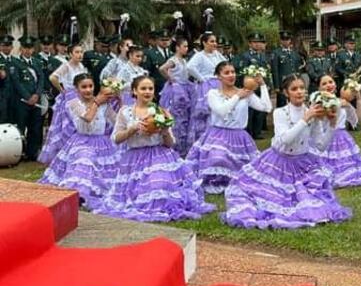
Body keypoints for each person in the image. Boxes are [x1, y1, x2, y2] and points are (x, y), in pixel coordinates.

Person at [222, 74, 352, 229]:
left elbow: (320, 146)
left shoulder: (314, 113)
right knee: (276, 200)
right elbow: (285, 140)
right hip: (278, 162)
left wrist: (331, 125)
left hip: (302, 163)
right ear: (286, 93)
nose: (299, 92)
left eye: (302, 88)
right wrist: (305, 119)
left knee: (313, 203)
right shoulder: (280, 113)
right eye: (294, 89)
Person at [98, 75, 214, 222]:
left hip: (159, 155)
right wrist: (131, 130)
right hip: (135, 159)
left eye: (150, 88)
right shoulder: (125, 112)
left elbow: (171, 143)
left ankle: (163, 205)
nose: (147, 92)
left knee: (160, 184)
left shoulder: (162, 112)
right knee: (142, 193)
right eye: (143, 88)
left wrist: (164, 131)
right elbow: (115, 138)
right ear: (134, 91)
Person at [186, 61, 272, 194]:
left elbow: (266, 107)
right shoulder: (213, 94)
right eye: (226, 73)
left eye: (233, 72)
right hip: (217, 135)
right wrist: (238, 96)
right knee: (218, 157)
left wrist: (263, 85)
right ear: (218, 76)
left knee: (246, 167)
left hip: (239, 136)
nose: (231, 75)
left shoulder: (246, 93)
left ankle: (233, 180)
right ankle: (216, 179)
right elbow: (221, 111)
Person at [39, 73, 118, 209]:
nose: (88, 90)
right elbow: (87, 117)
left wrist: (119, 98)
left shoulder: (104, 104)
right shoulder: (74, 103)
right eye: (84, 87)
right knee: (84, 159)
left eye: (90, 86)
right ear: (77, 89)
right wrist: (97, 102)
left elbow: (116, 121)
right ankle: (78, 194)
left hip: (102, 142)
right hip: (82, 141)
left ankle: (93, 191)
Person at [312, 74, 361, 188]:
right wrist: (336, 103)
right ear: (319, 88)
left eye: (331, 82)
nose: (328, 85)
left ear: (336, 84)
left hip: (342, 138)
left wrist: (358, 98)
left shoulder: (343, 102)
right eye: (324, 83)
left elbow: (360, 119)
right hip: (324, 137)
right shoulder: (317, 102)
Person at [38, 43, 89, 164]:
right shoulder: (67, 66)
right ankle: (63, 153)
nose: (79, 55)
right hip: (70, 98)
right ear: (70, 54)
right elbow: (53, 77)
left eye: (81, 52)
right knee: (68, 126)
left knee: (80, 123)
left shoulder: (81, 66)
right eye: (77, 52)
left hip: (81, 97)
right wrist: (62, 90)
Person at [187, 32, 226, 144]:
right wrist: (202, 79)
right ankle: (204, 139)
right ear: (204, 43)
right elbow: (190, 67)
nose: (215, 44)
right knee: (206, 113)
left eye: (215, 41)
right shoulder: (199, 55)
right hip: (206, 87)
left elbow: (225, 64)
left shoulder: (217, 54)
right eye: (212, 41)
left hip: (219, 84)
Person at [159, 37, 195, 156]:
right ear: (177, 47)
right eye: (184, 46)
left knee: (185, 117)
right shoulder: (173, 60)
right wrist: (171, 79)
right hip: (176, 92)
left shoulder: (184, 61)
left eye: (187, 46)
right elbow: (162, 68)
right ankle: (172, 145)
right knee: (176, 116)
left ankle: (182, 147)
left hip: (185, 89)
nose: (186, 49)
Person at [11, 36, 45, 161]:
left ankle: (32, 153)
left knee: (35, 128)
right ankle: (20, 152)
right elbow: (16, 82)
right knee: (21, 127)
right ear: (21, 48)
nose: (28, 50)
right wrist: (28, 97)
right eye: (25, 47)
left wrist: (37, 94)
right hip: (22, 102)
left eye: (30, 48)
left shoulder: (36, 62)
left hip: (36, 101)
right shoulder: (15, 63)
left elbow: (41, 79)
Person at [236, 32, 272, 140]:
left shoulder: (263, 56)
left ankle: (257, 132)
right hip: (250, 86)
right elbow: (242, 71)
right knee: (249, 111)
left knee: (260, 111)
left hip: (261, 86)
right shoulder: (245, 56)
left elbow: (267, 71)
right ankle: (248, 132)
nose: (257, 44)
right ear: (250, 44)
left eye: (258, 42)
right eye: (254, 42)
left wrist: (267, 84)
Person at [271, 31, 303, 108]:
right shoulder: (276, 53)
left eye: (287, 39)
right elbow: (275, 70)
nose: (285, 41)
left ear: (290, 40)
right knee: (282, 104)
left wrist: (298, 80)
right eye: (283, 39)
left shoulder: (294, 53)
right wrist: (277, 86)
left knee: (293, 102)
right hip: (283, 83)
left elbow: (297, 68)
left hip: (293, 82)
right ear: (281, 41)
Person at [144, 29, 173, 97]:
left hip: (171, 89)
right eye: (162, 40)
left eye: (167, 40)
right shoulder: (150, 53)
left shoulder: (172, 54)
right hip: (157, 89)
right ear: (157, 40)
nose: (165, 42)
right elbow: (146, 72)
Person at [0, 35, 16, 125]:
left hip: (14, 98)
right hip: (2, 98)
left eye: (8, 45)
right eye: (3, 45)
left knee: (13, 123)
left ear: (12, 47)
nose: (6, 48)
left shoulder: (16, 61)